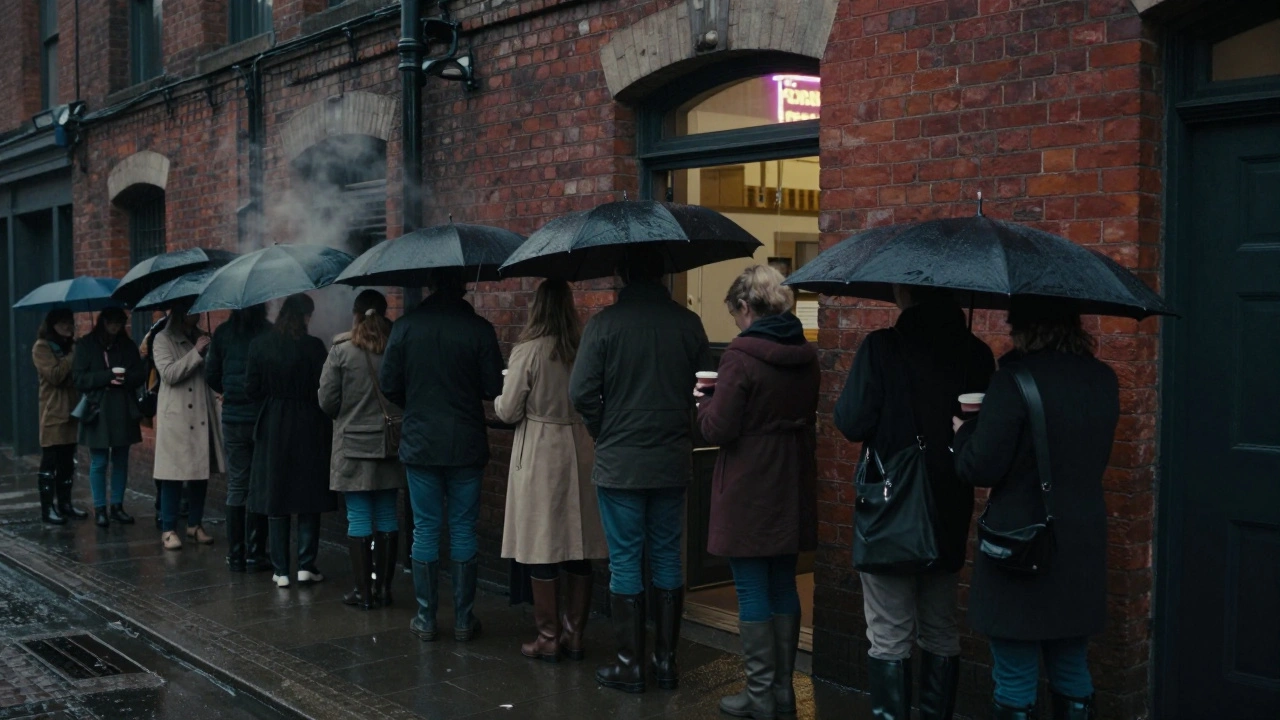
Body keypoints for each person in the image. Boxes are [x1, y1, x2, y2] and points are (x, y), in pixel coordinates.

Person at [952, 298, 1119, 720]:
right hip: (1080, 541)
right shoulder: (1104, 379)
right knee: (1071, 662)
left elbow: (980, 466)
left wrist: (965, 430)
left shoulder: (1013, 381)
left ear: (1025, 329)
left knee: (1015, 673)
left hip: (1022, 544)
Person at [833, 284, 994, 720]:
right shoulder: (976, 354)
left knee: (888, 633)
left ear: (906, 291)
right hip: (948, 507)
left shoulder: (883, 347)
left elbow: (851, 421)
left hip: (890, 509)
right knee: (940, 629)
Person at [569, 247, 710, 694]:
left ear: (623, 274)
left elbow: (581, 392)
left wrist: (603, 428)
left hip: (621, 463)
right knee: (668, 557)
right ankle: (666, 663)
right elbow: (705, 386)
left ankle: (631, 666)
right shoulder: (688, 324)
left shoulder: (605, 325)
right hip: (671, 459)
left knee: (626, 560)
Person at [695, 266, 819, 719]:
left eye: (735, 315)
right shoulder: (806, 354)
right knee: (783, 581)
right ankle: (783, 693)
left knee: (750, 589)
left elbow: (718, 427)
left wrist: (703, 400)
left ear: (746, 307)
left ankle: (760, 694)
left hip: (749, 482)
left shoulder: (739, 357)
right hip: (791, 480)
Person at [380, 268, 503, 642]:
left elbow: (388, 385)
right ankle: (464, 619)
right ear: (463, 286)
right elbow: (493, 386)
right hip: (465, 442)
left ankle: (426, 618)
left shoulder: (405, 327)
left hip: (420, 444)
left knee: (426, 529)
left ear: (430, 285)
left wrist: (416, 405)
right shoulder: (478, 329)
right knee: (464, 528)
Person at [494, 279, 608, 662]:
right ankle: (575, 636)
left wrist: (498, 396)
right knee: (578, 544)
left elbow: (509, 411)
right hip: (580, 446)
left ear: (536, 308)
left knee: (542, 544)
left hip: (542, 450)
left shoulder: (528, 351)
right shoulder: (582, 348)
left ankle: (548, 636)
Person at [318, 290, 406, 611]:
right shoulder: (396, 348)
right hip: (390, 444)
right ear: (384, 314)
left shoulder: (341, 351)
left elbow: (326, 401)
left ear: (355, 315)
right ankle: (383, 590)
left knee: (358, 517)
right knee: (386, 514)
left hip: (352, 445)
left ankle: (363, 593)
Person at [245, 294, 336, 588]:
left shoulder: (260, 345)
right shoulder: (314, 347)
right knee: (308, 494)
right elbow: (325, 387)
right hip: (309, 423)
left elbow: (251, 389)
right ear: (305, 316)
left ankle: (281, 569)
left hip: (273, 422)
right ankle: (306, 565)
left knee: (276, 495)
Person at [150, 302, 223, 551]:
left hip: (201, 412)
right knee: (173, 475)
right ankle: (168, 529)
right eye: (195, 311)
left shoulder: (200, 337)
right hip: (178, 416)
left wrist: (211, 351)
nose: (200, 315)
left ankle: (194, 524)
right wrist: (197, 352)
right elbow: (169, 374)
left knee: (199, 473)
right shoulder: (162, 339)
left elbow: (210, 373)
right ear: (182, 313)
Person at [207, 304, 273, 572]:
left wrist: (229, 391)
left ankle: (235, 555)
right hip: (261, 418)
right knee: (259, 486)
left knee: (237, 486)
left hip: (233, 418)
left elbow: (211, 375)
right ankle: (256, 553)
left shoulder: (222, 333)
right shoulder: (269, 333)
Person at [73, 307, 146, 528]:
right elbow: (79, 378)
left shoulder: (127, 345)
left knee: (121, 460)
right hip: (98, 408)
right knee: (99, 461)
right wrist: (107, 376)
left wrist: (124, 379)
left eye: (120, 323)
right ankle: (100, 508)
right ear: (103, 322)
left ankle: (117, 506)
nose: (116, 327)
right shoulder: (86, 345)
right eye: (112, 323)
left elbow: (139, 375)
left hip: (122, 406)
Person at [32, 309, 84, 524]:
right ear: (52, 325)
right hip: (53, 411)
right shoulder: (42, 347)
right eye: (63, 323)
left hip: (72, 411)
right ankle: (47, 509)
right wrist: (73, 355)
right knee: (50, 462)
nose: (68, 327)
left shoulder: (71, 346)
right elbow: (54, 375)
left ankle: (65, 504)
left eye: (70, 322)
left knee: (67, 463)